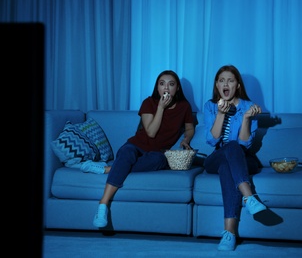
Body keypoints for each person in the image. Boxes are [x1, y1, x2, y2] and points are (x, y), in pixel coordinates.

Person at [92, 70, 195, 228]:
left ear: (177, 89)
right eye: (162, 84)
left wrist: (186, 140)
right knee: (126, 153)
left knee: (160, 160)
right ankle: (103, 204)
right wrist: (160, 108)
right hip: (136, 145)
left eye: (171, 84)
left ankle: (111, 168)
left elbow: (189, 129)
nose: (166, 87)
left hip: (156, 153)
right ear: (157, 87)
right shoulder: (149, 102)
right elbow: (151, 132)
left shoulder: (184, 106)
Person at [203, 65, 267, 251]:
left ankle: (229, 234)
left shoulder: (249, 107)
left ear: (237, 85)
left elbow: (245, 144)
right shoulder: (210, 106)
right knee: (228, 150)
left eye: (230, 80)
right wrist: (221, 114)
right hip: (216, 155)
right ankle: (249, 198)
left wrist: (246, 118)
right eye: (222, 80)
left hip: (243, 158)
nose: (226, 84)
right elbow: (211, 139)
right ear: (216, 85)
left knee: (227, 166)